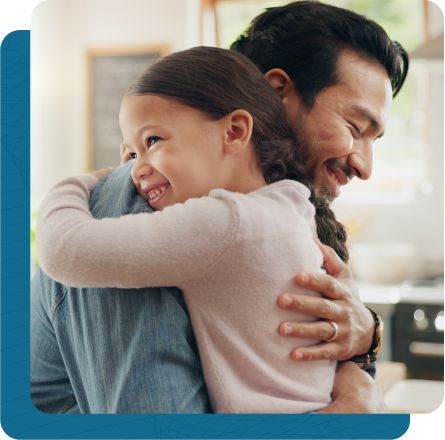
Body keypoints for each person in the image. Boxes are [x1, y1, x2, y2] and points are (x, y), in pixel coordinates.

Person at [30, 0, 407, 413]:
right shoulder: (138, 200)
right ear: (277, 93)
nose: (364, 166)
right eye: (355, 128)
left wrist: (366, 342)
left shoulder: (288, 213)